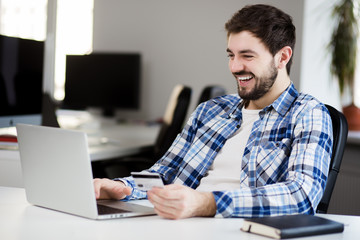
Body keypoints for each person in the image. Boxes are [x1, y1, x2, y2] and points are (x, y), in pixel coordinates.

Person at [93, 4, 333, 219]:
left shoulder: (307, 113)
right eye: (231, 55)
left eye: (247, 56)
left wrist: (206, 203)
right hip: (177, 225)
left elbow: (302, 196)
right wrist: (120, 188)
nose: (235, 67)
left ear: (282, 57)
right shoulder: (211, 110)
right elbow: (164, 172)